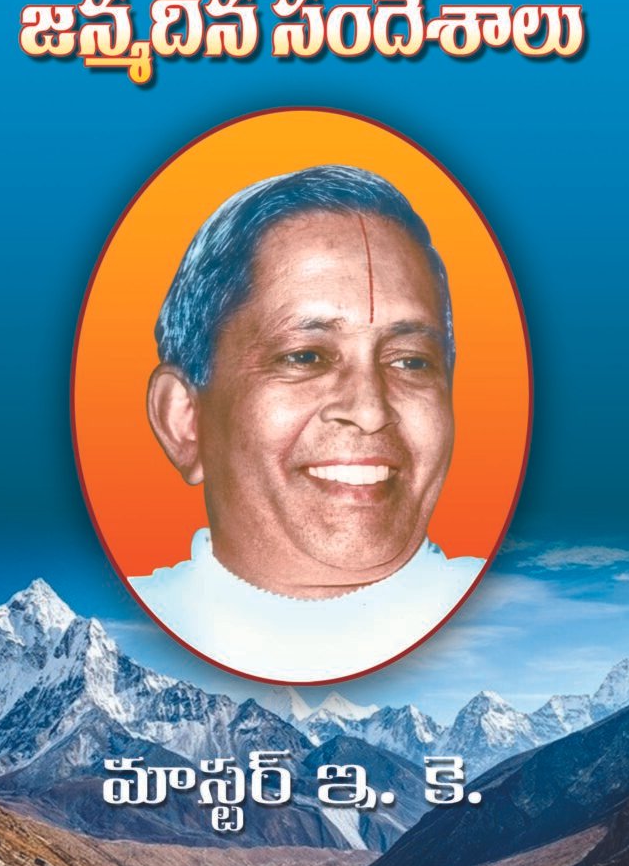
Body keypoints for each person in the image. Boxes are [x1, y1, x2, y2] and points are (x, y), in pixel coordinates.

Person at [129, 165, 484, 680]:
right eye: (306, 357)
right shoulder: (118, 630)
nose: (370, 410)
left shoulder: (528, 625)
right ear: (183, 420)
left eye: (410, 362)